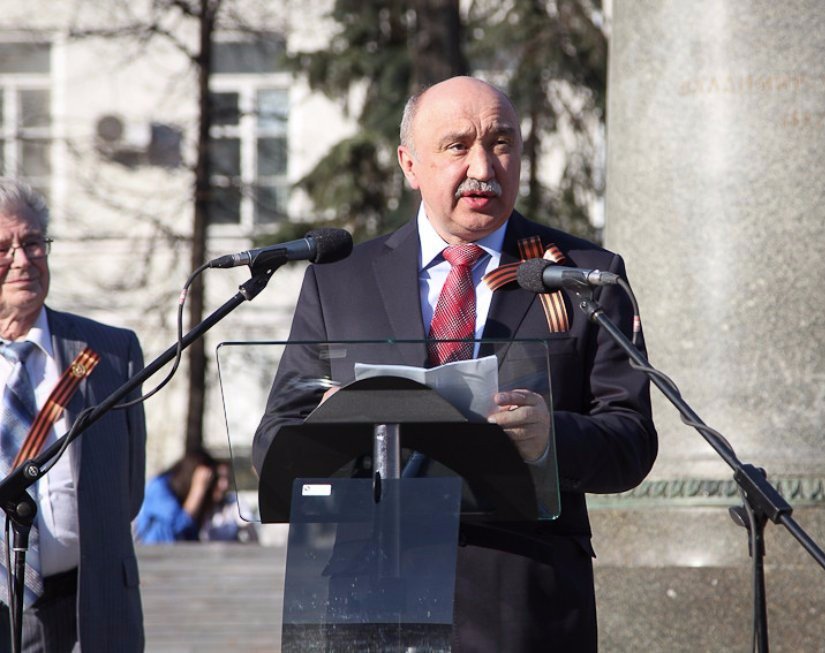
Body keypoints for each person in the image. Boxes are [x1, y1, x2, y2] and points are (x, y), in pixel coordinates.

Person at [253, 76, 657, 652]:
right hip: (369, 601)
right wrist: (327, 433)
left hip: (522, 602)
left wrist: (550, 438)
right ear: (410, 164)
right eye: (457, 145)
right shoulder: (339, 281)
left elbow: (631, 440)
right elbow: (273, 440)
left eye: (501, 142)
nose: (484, 166)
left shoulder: (582, 275)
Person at [0, 178, 146, 652]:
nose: (23, 260)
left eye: (33, 243)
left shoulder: (109, 353)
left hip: (87, 609)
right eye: (3, 248)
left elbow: (128, 489)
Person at [135, 451, 257, 544]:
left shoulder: (229, 502)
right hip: (153, 559)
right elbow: (178, 525)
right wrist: (198, 489)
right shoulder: (160, 488)